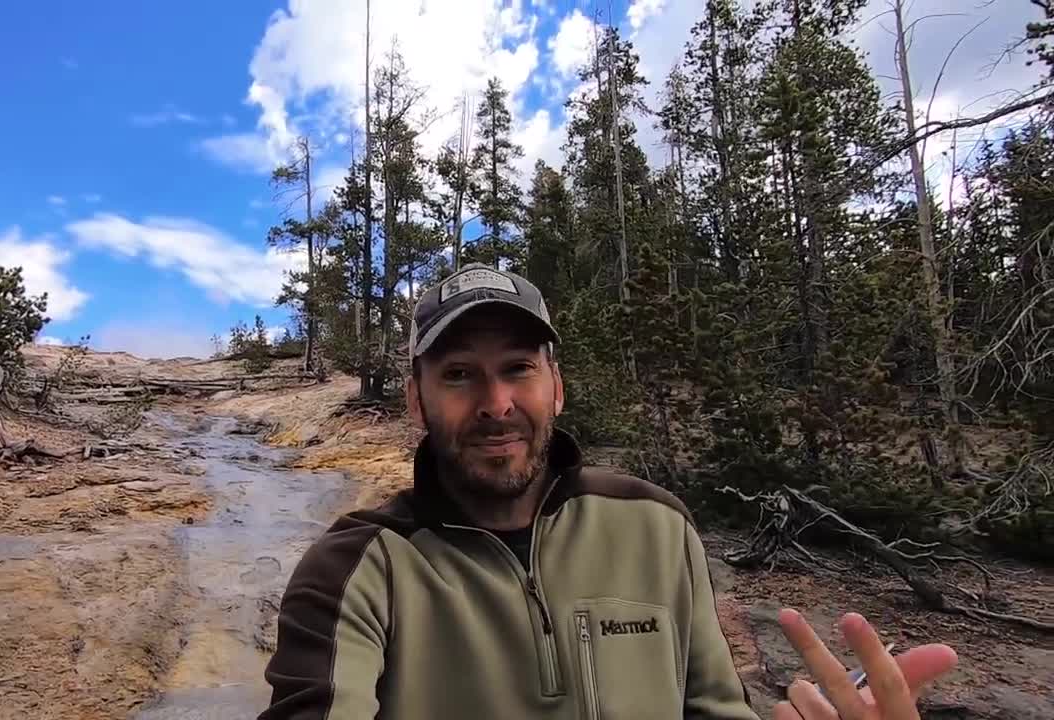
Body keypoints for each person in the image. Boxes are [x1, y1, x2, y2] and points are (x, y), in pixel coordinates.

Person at [257, 263, 958, 720]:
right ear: (416, 400)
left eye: (518, 369)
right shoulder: (357, 569)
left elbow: (714, 708)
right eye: (460, 375)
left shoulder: (653, 526)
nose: (497, 402)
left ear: (556, 386)